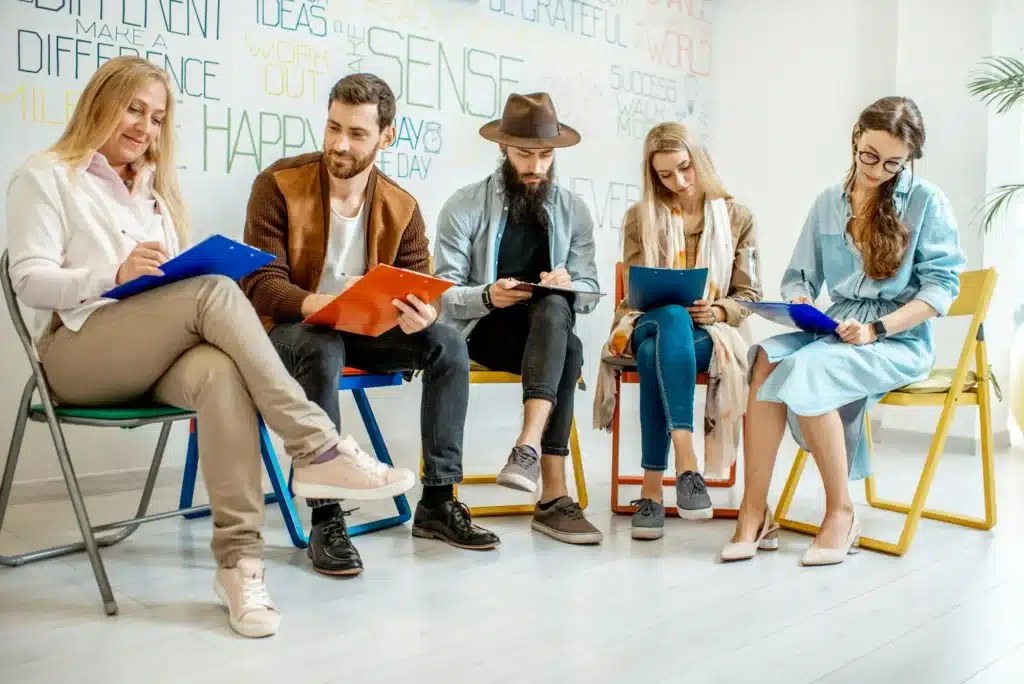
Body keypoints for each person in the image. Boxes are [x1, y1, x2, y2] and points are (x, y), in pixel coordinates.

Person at [4, 56, 415, 638]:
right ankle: (319, 449)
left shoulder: (155, 191)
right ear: (100, 101)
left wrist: (164, 276)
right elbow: (28, 281)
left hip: (153, 353)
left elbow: (167, 291)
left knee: (221, 371)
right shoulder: (45, 175)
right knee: (219, 293)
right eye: (134, 109)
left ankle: (239, 566)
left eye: (157, 117)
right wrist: (112, 275)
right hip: (76, 353)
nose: (146, 127)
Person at [240, 73, 500, 576]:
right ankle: (326, 516)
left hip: (363, 330)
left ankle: (439, 502)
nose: (340, 144)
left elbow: (419, 285)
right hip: (293, 330)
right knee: (322, 346)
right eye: (333, 127)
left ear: (387, 136)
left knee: (446, 343)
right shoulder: (278, 184)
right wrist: (319, 302)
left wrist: (421, 313)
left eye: (357, 134)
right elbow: (261, 284)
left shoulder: (402, 208)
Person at [722, 96, 966, 566]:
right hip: (838, 329)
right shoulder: (826, 203)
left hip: (897, 338)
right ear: (855, 136)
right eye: (869, 155)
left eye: (894, 163)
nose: (877, 170)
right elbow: (800, 276)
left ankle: (841, 512)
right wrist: (798, 302)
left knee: (811, 367)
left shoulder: (926, 201)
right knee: (765, 357)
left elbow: (940, 290)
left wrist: (876, 328)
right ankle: (755, 511)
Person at [434, 92, 603, 545]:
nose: (537, 167)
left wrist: (568, 283)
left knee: (556, 311)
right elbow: (441, 295)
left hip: (546, 331)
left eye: (546, 156)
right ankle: (553, 497)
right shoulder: (464, 205)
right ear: (503, 149)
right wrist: (489, 295)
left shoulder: (574, 210)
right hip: (484, 331)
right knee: (569, 349)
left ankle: (525, 448)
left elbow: (589, 292)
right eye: (525, 154)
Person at [593, 122, 761, 540]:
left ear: (699, 160)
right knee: (669, 316)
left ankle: (652, 492)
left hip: (708, 337)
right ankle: (688, 463)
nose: (679, 182)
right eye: (665, 175)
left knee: (655, 352)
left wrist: (719, 309)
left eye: (685, 169)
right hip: (644, 321)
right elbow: (634, 294)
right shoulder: (640, 217)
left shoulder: (738, 217)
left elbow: (750, 295)